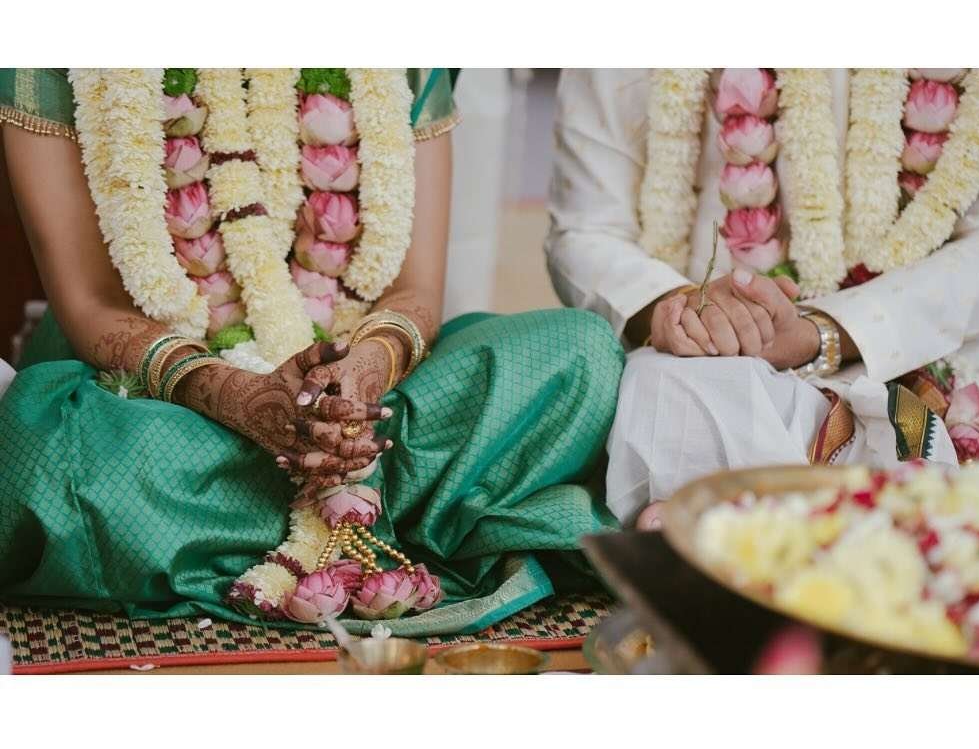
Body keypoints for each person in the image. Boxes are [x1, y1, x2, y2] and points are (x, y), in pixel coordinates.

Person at [0, 68, 622, 632]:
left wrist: (362, 378)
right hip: (160, 399)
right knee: (46, 455)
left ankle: (247, 527)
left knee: (579, 354)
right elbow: (90, 302)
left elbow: (413, 289)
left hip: (373, 400)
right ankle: (403, 525)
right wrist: (235, 396)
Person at [547, 68, 979, 526]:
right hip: (713, 364)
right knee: (665, 402)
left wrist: (821, 332)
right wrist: (687, 312)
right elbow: (587, 231)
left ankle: (745, 521)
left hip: (947, 350)